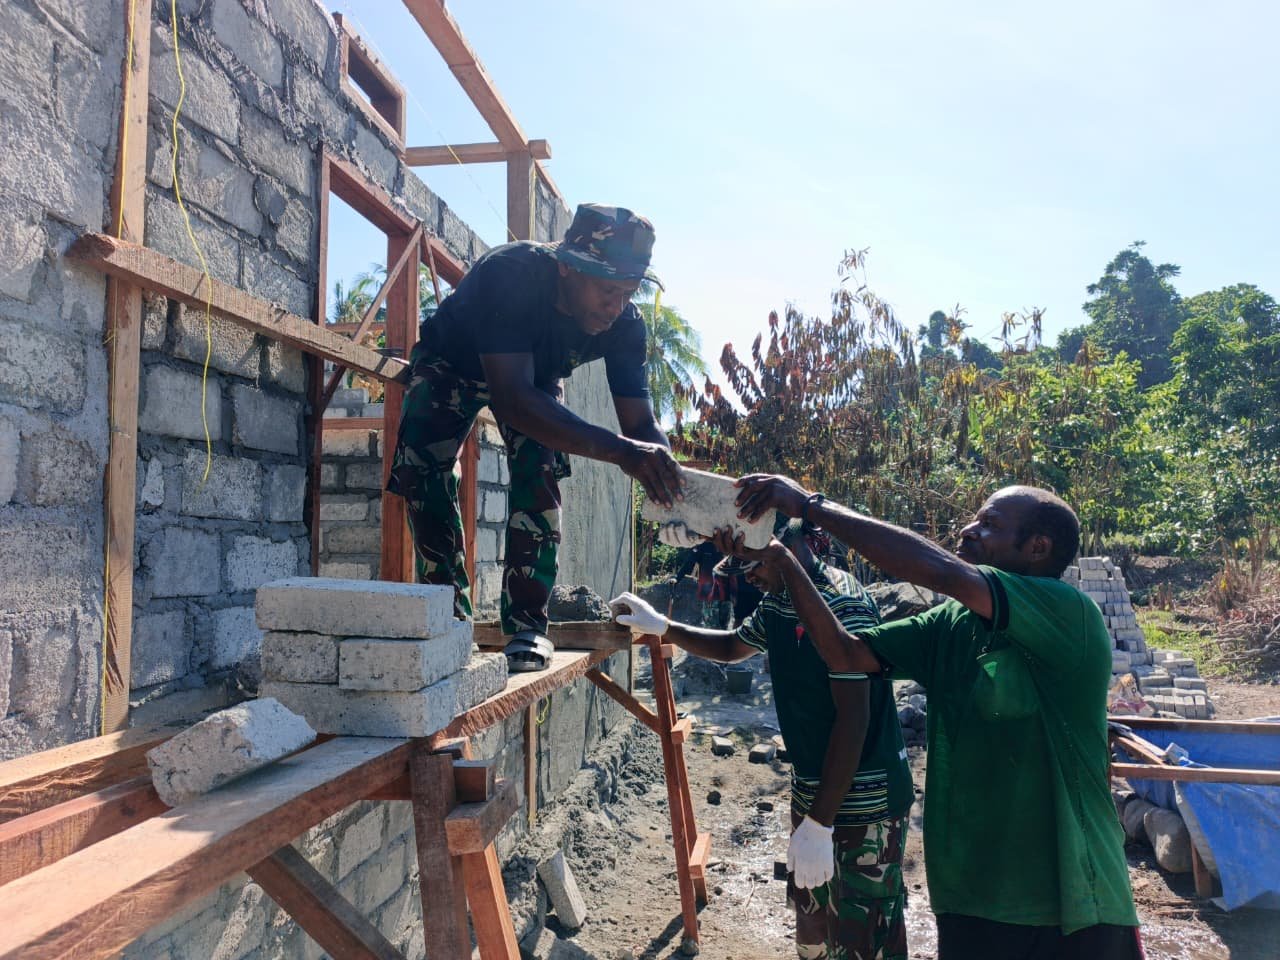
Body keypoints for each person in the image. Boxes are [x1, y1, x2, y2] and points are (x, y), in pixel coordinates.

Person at [721, 476, 1143, 960]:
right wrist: (782, 562)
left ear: (1037, 548)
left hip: (1071, 903)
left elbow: (940, 572)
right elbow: (845, 653)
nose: (967, 530)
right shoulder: (952, 623)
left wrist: (807, 506)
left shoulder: (1069, 613)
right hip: (971, 895)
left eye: (989, 524)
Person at [387, 204, 684, 672]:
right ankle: (448, 617)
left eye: (627, 293)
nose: (616, 307)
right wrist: (622, 453)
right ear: (568, 267)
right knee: (423, 467)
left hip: (534, 376)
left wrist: (674, 488)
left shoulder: (625, 325)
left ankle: (527, 625)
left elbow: (641, 429)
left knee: (540, 466)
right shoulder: (513, 274)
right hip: (453, 362)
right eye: (608, 290)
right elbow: (512, 400)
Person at [611, 519, 914, 960]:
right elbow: (734, 646)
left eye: (754, 565)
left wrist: (821, 823)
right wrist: (663, 626)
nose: (748, 578)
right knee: (814, 934)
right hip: (815, 794)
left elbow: (855, 719)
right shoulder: (779, 602)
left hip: (865, 806)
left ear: (790, 550)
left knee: (864, 937)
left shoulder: (843, 605)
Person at [669, 539, 732, 628]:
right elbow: (689, 563)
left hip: (727, 592)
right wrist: (677, 578)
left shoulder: (729, 544)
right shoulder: (703, 545)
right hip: (709, 593)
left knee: (725, 625)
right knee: (711, 626)